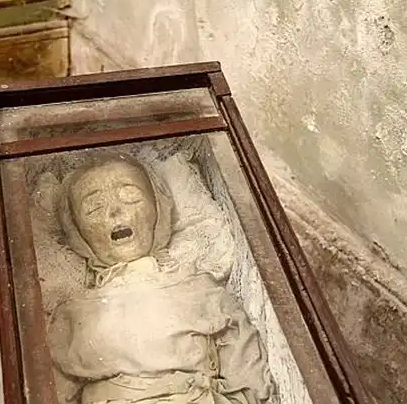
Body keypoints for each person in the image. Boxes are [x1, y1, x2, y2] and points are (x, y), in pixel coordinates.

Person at [48, 153, 274, 404]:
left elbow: (249, 377)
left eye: (131, 196)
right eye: (94, 208)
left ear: (158, 207)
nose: (115, 212)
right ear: (76, 231)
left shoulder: (200, 289)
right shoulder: (72, 315)